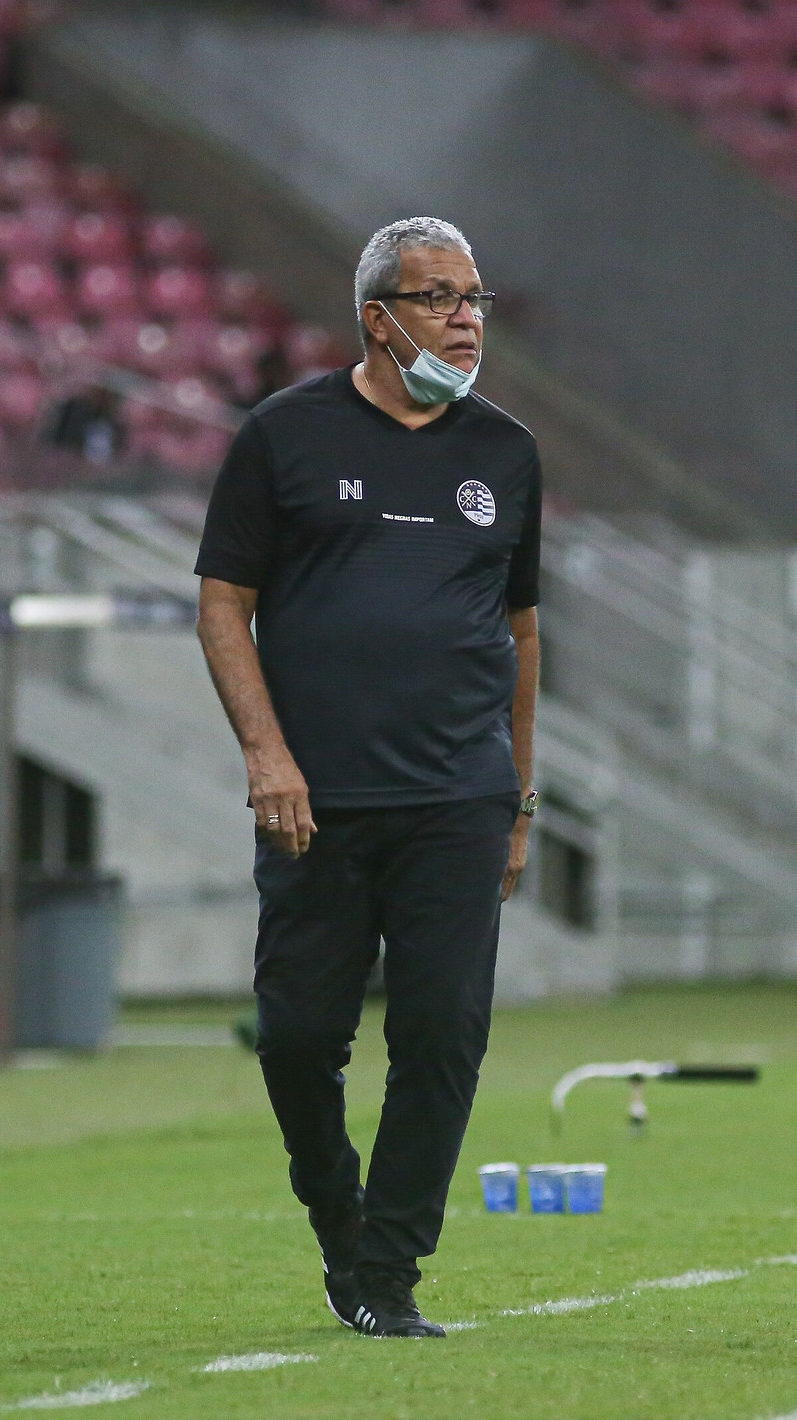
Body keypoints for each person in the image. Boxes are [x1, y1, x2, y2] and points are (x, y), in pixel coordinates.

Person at [194, 217, 541, 1338]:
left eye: (475, 297)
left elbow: (521, 634)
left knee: (441, 1036)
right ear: (376, 317)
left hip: (457, 798)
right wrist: (265, 753)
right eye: (438, 297)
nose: (464, 318)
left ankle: (386, 1273)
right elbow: (221, 603)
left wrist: (520, 798)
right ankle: (337, 1216)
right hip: (316, 800)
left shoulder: (505, 452)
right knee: (297, 1037)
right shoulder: (282, 435)